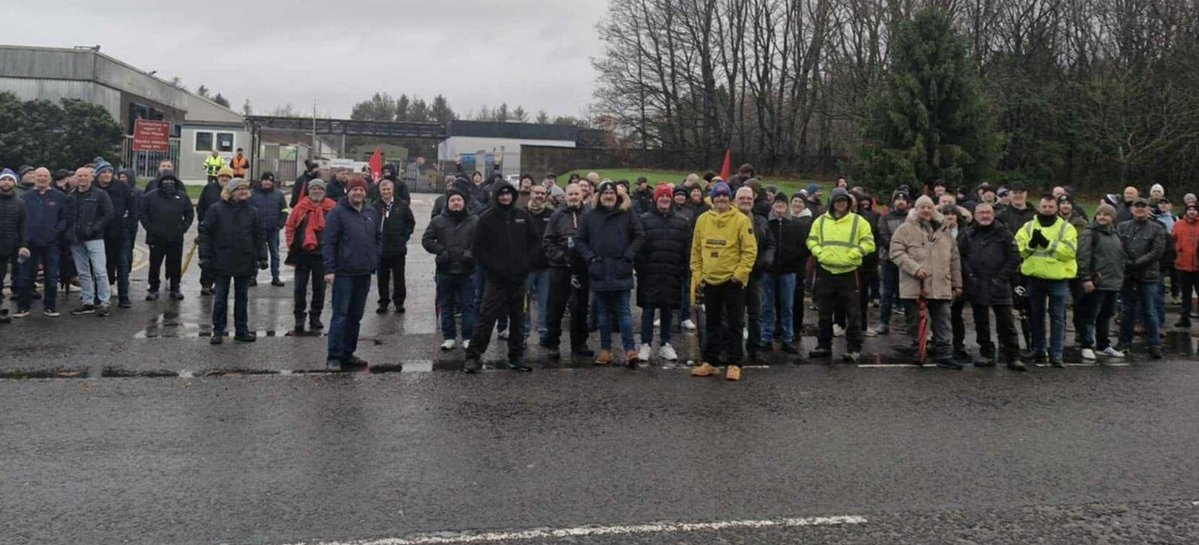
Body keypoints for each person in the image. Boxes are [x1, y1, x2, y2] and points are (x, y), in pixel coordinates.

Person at [463, 182, 538, 373]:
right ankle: (473, 356)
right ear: (496, 196)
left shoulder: (523, 216)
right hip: (496, 279)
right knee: (486, 317)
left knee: (518, 319)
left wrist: (526, 264)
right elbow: (478, 248)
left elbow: (534, 243)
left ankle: (516, 356)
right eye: (501, 195)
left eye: (508, 194)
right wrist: (495, 267)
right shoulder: (487, 218)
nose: (505, 198)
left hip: (519, 279)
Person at [690, 182, 757, 381]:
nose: (721, 200)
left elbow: (750, 251)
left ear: (730, 199)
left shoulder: (741, 221)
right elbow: (696, 250)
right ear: (713, 198)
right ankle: (711, 362)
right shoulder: (702, 220)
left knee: (735, 324)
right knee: (712, 324)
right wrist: (698, 275)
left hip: (733, 282)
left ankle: (734, 363)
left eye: (725, 197)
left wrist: (739, 274)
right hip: (709, 281)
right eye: (717, 196)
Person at [576, 181, 646, 367]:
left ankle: (630, 350)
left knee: (624, 312)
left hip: (620, 268)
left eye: (612, 193)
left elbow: (640, 236)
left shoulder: (627, 214)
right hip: (599, 269)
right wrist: (590, 258)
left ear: (617, 196)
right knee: (603, 314)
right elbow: (580, 240)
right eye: (605, 193)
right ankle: (605, 350)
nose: (609, 196)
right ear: (600, 196)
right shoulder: (590, 216)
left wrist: (628, 256)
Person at [890, 196, 963, 368]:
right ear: (916, 209)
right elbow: (896, 252)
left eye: (929, 207)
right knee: (915, 322)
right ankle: (919, 349)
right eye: (922, 207)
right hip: (915, 285)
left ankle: (944, 353)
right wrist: (914, 268)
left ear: (934, 209)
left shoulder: (945, 230)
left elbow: (954, 259)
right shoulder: (905, 229)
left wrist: (957, 283)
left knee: (943, 321)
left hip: (941, 284)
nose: (926, 210)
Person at [806, 188, 875, 362]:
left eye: (844, 201)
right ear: (832, 202)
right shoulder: (820, 221)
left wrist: (854, 254)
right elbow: (811, 240)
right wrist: (819, 253)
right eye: (838, 201)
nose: (841, 204)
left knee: (853, 314)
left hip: (849, 273)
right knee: (824, 313)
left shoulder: (859, 222)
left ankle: (853, 349)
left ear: (849, 203)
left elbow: (869, 243)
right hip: (826, 271)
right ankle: (823, 345)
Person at [199, 178, 267, 344]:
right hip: (221, 258)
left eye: (245, 188)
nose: (243, 191)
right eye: (238, 189)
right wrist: (204, 256)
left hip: (244, 259)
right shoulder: (216, 210)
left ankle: (241, 330)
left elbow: (259, 236)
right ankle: (218, 331)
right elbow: (205, 234)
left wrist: (263, 257)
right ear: (230, 192)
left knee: (242, 298)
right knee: (221, 298)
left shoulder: (253, 211)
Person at [322, 178, 381, 369]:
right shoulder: (337, 213)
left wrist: (375, 259)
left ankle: (348, 353)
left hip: (364, 273)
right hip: (343, 273)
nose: (358, 193)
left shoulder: (372, 212)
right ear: (348, 191)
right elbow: (329, 242)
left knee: (356, 316)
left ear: (366, 193)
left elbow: (378, 238)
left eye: (361, 190)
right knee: (340, 315)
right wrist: (329, 269)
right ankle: (334, 356)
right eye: (355, 189)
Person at [1014, 194, 1079, 367]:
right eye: (1044, 206)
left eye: (1051, 207)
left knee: (1058, 317)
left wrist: (1047, 243)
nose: (1047, 210)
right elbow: (1019, 250)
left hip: (1057, 278)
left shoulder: (1066, 228)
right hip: (1034, 278)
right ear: (1039, 207)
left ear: (1056, 208)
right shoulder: (1028, 227)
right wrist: (1031, 245)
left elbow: (1069, 252)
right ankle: (1038, 349)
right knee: (1036, 316)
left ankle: (1056, 353)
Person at [959, 203, 1025, 369]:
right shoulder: (968, 234)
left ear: (993, 214)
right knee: (981, 322)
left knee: (1006, 323)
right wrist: (970, 276)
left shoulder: (1004, 233)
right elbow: (962, 257)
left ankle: (1013, 356)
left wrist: (1001, 278)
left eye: (988, 212)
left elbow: (1014, 257)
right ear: (975, 215)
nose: (985, 216)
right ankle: (986, 354)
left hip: (999, 284)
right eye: (981, 213)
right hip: (977, 284)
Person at [634, 183, 690, 363]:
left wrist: (683, 269)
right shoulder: (644, 219)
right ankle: (645, 344)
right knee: (648, 310)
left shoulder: (682, 221)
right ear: (656, 199)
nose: (665, 199)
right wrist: (641, 269)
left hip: (672, 273)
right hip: (649, 273)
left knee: (667, 310)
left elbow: (687, 248)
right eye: (662, 196)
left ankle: (666, 343)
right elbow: (639, 247)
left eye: (667, 196)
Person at [423, 185, 478, 351]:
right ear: (448, 203)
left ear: (464, 202)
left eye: (459, 200)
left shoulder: (474, 221)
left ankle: (468, 337)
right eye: (452, 200)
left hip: (466, 271)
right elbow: (427, 240)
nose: (456, 203)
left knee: (469, 305)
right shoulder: (438, 220)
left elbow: (482, 241)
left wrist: (471, 252)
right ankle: (449, 337)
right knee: (446, 305)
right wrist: (440, 250)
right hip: (445, 270)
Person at [542, 182, 594, 358]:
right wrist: (560, 257)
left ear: (582, 195)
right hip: (560, 267)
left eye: (576, 194)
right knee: (555, 306)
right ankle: (552, 343)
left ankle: (580, 343)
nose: (573, 197)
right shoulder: (557, 215)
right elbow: (547, 241)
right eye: (570, 194)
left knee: (580, 308)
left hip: (582, 268)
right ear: (565, 196)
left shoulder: (589, 214)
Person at [1116, 196, 1167, 359]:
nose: (1139, 210)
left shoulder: (1157, 228)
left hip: (1148, 275)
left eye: (1143, 207)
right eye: (1136, 207)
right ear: (1132, 209)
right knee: (1127, 310)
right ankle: (1124, 342)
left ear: (1148, 209)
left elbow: (1157, 251)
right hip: (1128, 275)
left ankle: (1154, 343)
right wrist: (1128, 264)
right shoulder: (1122, 227)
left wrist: (1137, 263)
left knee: (1150, 311)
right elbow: (1118, 247)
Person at [285, 179, 336, 333]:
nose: (316, 191)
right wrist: (291, 244)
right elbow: (290, 227)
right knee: (300, 288)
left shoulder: (332, 207)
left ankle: (315, 316)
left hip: (323, 255)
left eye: (319, 189)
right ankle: (299, 317)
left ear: (324, 191)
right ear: (309, 190)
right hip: (302, 254)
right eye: (313, 188)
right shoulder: (300, 207)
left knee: (319, 288)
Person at [1077, 204, 1126, 360]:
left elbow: (1120, 257)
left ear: (1112, 217)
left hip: (1113, 283)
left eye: (1106, 214)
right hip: (1096, 282)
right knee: (1089, 315)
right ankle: (1086, 345)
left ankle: (1103, 345)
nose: (1102, 217)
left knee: (1106, 316)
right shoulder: (1089, 234)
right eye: (1099, 214)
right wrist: (1086, 278)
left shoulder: (1116, 235)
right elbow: (1083, 257)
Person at [14, 168, 64, 317]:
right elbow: (20, 220)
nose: (42, 178)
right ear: (34, 178)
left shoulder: (59, 197)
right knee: (26, 276)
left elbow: (65, 218)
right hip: (29, 243)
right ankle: (23, 307)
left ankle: (50, 307)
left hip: (51, 243)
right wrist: (22, 240)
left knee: (51, 276)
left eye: (45, 176)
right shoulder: (25, 198)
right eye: (39, 175)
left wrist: (56, 233)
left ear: (50, 178)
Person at [763, 192, 807, 354]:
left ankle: (787, 338)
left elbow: (803, 247)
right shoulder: (766, 223)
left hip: (789, 272)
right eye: (777, 202)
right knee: (767, 306)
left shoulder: (796, 225)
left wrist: (794, 262)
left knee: (787, 307)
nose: (780, 205)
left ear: (787, 206)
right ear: (773, 205)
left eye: (783, 202)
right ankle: (766, 337)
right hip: (769, 271)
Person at [138, 172, 193, 301]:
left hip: (176, 237)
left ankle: (175, 288)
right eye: (165, 180)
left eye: (171, 180)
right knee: (155, 265)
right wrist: (150, 228)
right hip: (156, 238)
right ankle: (153, 288)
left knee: (175, 264)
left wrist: (183, 229)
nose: (168, 183)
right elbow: (143, 213)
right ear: (160, 182)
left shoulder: (182, 196)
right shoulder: (150, 197)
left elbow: (189, 213)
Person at [66, 166, 113, 317]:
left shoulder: (100, 194)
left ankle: (105, 302)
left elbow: (108, 214)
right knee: (83, 272)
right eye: (79, 176)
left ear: (91, 178)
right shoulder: (71, 196)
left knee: (100, 271)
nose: (82, 179)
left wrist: (94, 228)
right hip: (76, 239)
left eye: (85, 176)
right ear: (75, 178)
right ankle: (88, 302)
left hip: (94, 238)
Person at [736, 186, 775, 363]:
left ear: (753, 200)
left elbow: (770, 244)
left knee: (755, 314)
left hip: (756, 275)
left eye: (748, 198)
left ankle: (755, 348)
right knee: (733, 316)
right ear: (735, 200)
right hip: (734, 275)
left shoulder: (761, 221)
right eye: (742, 198)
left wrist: (765, 261)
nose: (745, 201)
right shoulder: (730, 220)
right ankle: (733, 348)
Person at [95, 160, 134, 308]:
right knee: (101, 268)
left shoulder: (122, 187)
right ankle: (100, 296)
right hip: (101, 234)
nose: (107, 175)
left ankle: (124, 297)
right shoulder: (94, 188)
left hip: (121, 233)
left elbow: (132, 208)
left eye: (109, 172)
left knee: (123, 266)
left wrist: (129, 226)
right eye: (103, 172)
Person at [372, 179, 415, 314]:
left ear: (393, 190)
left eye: (388, 189)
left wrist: (404, 237)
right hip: (381, 250)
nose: (386, 192)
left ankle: (399, 302)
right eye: (383, 190)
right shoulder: (374, 206)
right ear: (380, 191)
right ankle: (383, 302)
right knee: (382, 278)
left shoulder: (402, 205)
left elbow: (410, 222)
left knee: (399, 277)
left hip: (398, 249)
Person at [874, 191, 909, 335]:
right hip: (889, 259)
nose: (900, 202)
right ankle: (883, 322)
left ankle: (910, 323)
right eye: (898, 199)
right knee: (887, 293)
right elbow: (882, 234)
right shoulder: (885, 217)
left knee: (907, 293)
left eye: (903, 199)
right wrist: (897, 249)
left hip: (908, 261)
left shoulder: (912, 218)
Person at [522, 184, 554, 341]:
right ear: (530, 193)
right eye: (536, 193)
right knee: (524, 303)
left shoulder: (552, 214)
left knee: (545, 302)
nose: (539, 196)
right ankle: (524, 332)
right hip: (526, 267)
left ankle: (544, 333)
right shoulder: (521, 213)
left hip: (546, 267)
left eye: (542, 193)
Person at [196, 166, 233, 295]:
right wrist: (202, 223)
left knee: (221, 259)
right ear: (218, 177)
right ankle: (206, 284)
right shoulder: (208, 189)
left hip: (226, 232)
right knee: (207, 258)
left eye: (227, 177)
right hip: (209, 229)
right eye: (222, 176)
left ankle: (219, 284)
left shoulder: (233, 191)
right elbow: (200, 207)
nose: (224, 178)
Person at [248, 172, 288, 287]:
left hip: (273, 230)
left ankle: (275, 277)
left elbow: (284, 210)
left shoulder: (279, 195)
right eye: (265, 180)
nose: (268, 182)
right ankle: (252, 277)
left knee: (274, 253)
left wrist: (280, 224)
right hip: (256, 231)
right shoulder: (252, 194)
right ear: (261, 181)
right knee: (254, 254)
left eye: (270, 180)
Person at [0, 169, 28, 320]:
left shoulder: (20, 203)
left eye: (10, 180)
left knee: (2, 276)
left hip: (10, 245)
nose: (6, 182)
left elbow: (23, 226)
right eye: (3, 179)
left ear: (14, 183)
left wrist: (23, 244)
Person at [1175, 202, 1199, 329]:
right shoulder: (1178, 225)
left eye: (1194, 209)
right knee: (1185, 294)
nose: (1192, 212)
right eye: (1189, 209)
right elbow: (1172, 240)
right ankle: (1184, 318)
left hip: (1197, 266)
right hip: (1183, 265)